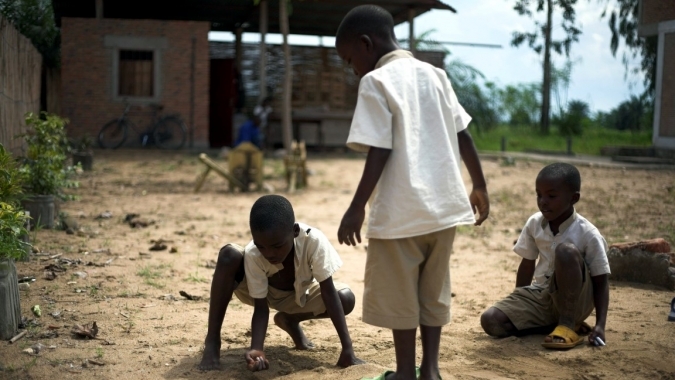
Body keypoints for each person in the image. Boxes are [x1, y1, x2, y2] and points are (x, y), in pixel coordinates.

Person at [334, 5, 490, 380]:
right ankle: (430, 371)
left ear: (366, 44)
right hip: (444, 210)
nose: (352, 68)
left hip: (401, 214)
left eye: (350, 58)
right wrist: (480, 184)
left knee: (401, 296)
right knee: (432, 292)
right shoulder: (435, 75)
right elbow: (462, 133)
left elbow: (380, 148)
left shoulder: (375, 81)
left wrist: (356, 208)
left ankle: (405, 372)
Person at [199, 195, 364, 372]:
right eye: (261, 246)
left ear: (294, 231)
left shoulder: (313, 241)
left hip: (298, 296)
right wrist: (257, 349)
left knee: (345, 298)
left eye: (277, 246)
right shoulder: (254, 254)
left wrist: (348, 349)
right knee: (229, 255)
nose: (269, 253)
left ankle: (289, 319)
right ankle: (213, 340)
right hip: (256, 293)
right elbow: (261, 309)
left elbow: (329, 292)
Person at [480, 163, 611, 350]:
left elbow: (601, 281)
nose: (543, 201)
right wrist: (520, 301)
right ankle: (556, 326)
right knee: (491, 321)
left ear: (573, 198)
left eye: (551, 196)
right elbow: (527, 265)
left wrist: (600, 326)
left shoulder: (588, 233)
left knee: (565, 252)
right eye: (539, 195)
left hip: (575, 300)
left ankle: (567, 324)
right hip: (541, 296)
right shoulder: (534, 223)